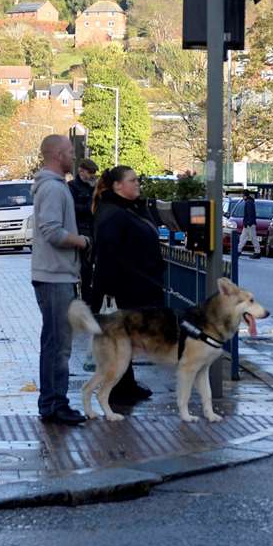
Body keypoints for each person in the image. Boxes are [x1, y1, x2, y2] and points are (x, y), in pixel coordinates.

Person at [91, 165, 161, 405]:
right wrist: (107, 291)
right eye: (132, 181)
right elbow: (109, 255)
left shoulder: (128, 209)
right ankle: (120, 387)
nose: (137, 184)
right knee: (124, 337)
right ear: (117, 186)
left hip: (139, 283)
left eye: (137, 180)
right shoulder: (113, 213)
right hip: (127, 286)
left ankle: (125, 384)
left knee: (128, 338)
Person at [32, 135, 89, 426]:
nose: (73, 157)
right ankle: (55, 404)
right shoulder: (54, 190)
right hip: (54, 276)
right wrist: (80, 241)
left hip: (54, 274)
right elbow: (52, 231)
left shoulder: (52, 187)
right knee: (59, 345)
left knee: (54, 342)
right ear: (56, 155)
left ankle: (52, 401)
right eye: (69, 152)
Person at [68, 158, 98, 309]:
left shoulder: (94, 187)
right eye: (90, 173)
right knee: (81, 269)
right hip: (79, 231)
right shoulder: (72, 187)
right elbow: (72, 208)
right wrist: (89, 206)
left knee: (91, 270)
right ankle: (80, 300)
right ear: (81, 171)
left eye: (94, 173)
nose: (92, 176)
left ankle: (89, 301)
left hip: (93, 230)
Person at [238, 190, 261, 257]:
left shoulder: (248, 202)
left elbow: (250, 213)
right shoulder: (249, 202)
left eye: (242, 195)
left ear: (245, 196)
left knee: (253, 238)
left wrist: (248, 223)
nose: (242, 197)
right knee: (243, 238)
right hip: (248, 224)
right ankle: (238, 250)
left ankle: (257, 252)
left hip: (249, 224)